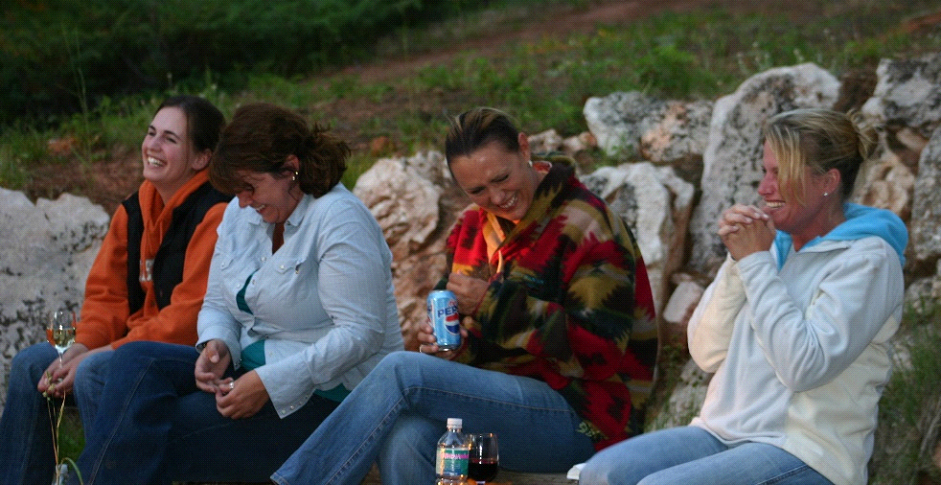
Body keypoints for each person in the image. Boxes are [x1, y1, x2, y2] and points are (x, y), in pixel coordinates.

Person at [271, 106, 658, 485]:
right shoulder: (472, 225)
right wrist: (452, 348)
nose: (497, 197)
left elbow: (599, 355)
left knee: (402, 371)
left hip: (587, 416)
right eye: (477, 190)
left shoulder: (587, 224)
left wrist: (494, 306)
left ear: (524, 148)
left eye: (502, 178)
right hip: (499, 406)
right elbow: (474, 337)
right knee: (407, 437)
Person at [68, 102, 404, 485]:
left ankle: (84, 479)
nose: (242, 201)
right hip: (246, 367)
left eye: (250, 187)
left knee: (147, 431)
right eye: (237, 190)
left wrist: (268, 383)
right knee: (121, 365)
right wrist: (218, 344)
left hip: (327, 397)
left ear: (290, 168)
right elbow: (216, 302)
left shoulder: (339, 218)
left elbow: (361, 333)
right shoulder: (240, 211)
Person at [578, 108, 909, 485]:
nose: (764, 188)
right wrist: (738, 263)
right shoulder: (769, 245)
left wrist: (754, 263)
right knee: (601, 473)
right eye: (765, 171)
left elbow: (804, 369)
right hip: (720, 432)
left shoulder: (868, 259)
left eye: (779, 174)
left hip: (807, 450)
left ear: (827, 181)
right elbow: (706, 353)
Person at [0, 95, 229, 485]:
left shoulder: (215, 214)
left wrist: (102, 353)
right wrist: (81, 345)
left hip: (186, 355)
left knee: (97, 371)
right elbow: (106, 296)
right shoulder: (134, 210)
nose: (152, 145)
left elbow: (187, 320)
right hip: (127, 346)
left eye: (170, 139)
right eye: (151, 133)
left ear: (201, 158)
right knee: (31, 364)